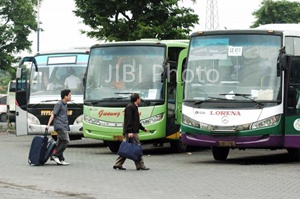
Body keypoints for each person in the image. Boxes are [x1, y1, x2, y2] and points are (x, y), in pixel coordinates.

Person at [113, 93, 150, 170]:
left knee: (127, 148)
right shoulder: (130, 107)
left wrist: (143, 128)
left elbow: (135, 121)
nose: (140, 100)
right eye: (139, 99)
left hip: (132, 131)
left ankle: (118, 164)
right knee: (137, 147)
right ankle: (140, 165)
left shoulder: (134, 107)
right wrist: (130, 132)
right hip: (131, 132)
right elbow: (129, 121)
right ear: (137, 99)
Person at [46, 89, 72, 166]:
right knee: (66, 141)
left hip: (64, 125)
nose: (70, 97)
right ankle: (55, 155)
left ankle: (61, 159)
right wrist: (48, 124)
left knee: (60, 142)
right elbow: (53, 114)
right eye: (69, 95)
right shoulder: (59, 104)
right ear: (65, 96)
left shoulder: (65, 104)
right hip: (59, 125)